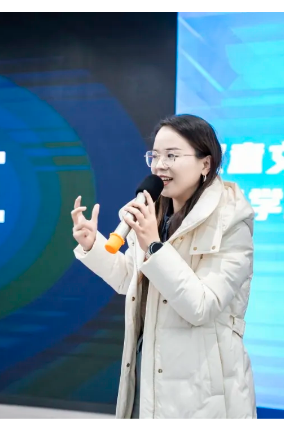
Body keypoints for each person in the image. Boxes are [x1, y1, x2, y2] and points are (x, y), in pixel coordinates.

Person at [71, 114, 257, 419]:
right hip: (150, 370)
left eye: (172, 156)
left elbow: (201, 306)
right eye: (155, 156)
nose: (159, 165)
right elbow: (130, 280)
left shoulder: (231, 223)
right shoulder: (154, 213)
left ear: (205, 164)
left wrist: (154, 247)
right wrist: (93, 244)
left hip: (204, 387)